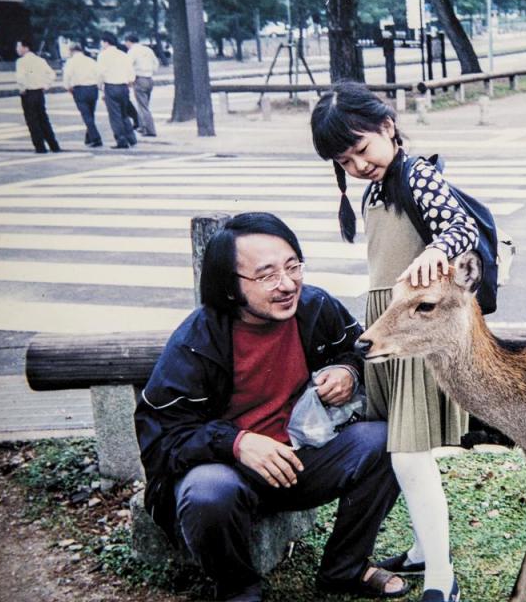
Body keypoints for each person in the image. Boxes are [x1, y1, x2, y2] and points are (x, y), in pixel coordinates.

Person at [135, 212, 409, 602]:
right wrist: (237, 442)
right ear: (231, 287)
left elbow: (358, 348)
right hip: (230, 475)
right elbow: (160, 437)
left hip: (300, 462)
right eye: (266, 275)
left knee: (385, 440)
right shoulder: (196, 341)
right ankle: (237, 589)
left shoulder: (315, 308)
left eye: (293, 266)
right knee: (208, 490)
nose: (287, 284)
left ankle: (344, 570)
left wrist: (348, 370)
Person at [311, 82, 470, 602]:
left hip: (414, 333)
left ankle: (442, 578)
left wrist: (437, 252)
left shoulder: (417, 174)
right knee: (400, 448)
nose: (357, 164)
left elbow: (460, 227)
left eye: (361, 148)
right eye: (344, 158)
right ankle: (426, 552)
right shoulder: (376, 187)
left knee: (407, 455)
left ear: (387, 126)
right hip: (387, 326)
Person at [14, 39, 60, 154]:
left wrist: (23, 88)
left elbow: (20, 78)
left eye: (18, 46)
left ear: (25, 47)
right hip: (39, 92)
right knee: (43, 119)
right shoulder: (40, 60)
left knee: (32, 121)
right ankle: (54, 145)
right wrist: (46, 85)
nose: (17, 49)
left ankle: (40, 147)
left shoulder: (21, 62)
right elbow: (52, 74)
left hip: (28, 93)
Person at [96, 31, 137, 149]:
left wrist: (100, 86)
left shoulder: (102, 56)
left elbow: (100, 73)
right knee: (124, 113)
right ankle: (131, 138)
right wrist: (129, 82)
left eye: (102, 42)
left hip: (111, 86)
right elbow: (131, 72)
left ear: (106, 42)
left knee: (115, 115)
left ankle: (121, 140)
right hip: (124, 86)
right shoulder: (123, 54)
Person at [62, 44, 102, 147]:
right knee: (91, 114)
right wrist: (99, 86)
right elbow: (99, 74)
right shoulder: (90, 61)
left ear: (72, 51)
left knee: (86, 115)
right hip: (92, 88)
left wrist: (68, 87)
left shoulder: (70, 62)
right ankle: (88, 137)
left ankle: (96, 138)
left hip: (80, 89)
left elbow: (67, 76)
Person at [124, 33, 158, 137]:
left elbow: (128, 65)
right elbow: (155, 64)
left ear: (129, 42)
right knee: (145, 104)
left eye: (126, 43)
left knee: (143, 106)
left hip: (139, 78)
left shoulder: (132, 51)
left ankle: (149, 130)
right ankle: (143, 126)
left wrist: (129, 79)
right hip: (149, 78)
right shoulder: (148, 50)